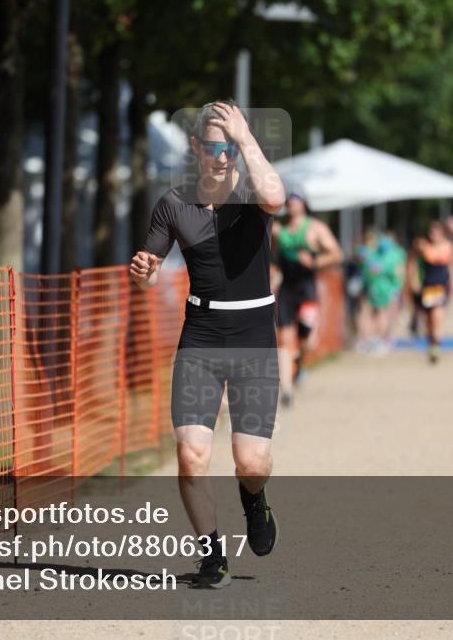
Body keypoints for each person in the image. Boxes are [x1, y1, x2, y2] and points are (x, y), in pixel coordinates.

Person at [130, 100, 284, 589]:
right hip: (200, 337)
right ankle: (212, 554)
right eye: (216, 147)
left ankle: (254, 498)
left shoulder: (252, 193)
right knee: (191, 454)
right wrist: (144, 273)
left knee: (251, 462)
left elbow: (277, 197)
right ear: (196, 147)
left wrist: (247, 138)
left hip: (254, 337)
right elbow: (149, 274)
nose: (224, 157)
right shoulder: (174, 203)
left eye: (231, 148)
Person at [273, 192, 342, 406]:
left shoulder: (315, 228)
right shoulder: (278, 230)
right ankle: (286, 391)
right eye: (289, 201)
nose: (291, 204)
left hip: (307, 290)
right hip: (286, 289)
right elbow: (271, 254)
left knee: (306, 338)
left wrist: (314, 261)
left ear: (303, 204)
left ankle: (300, 363)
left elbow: (337, 254)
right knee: (284, 339)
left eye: (295, 201)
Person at [412, 221, 453, 364]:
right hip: (428, 286)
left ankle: (436, 345)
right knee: (429, 320)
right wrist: (415, 281)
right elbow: (413, 263)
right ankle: (432, 342)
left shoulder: (449, 247)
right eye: (432, 232)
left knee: (438, 316)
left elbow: (452, 267)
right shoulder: (423, 247)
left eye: (437, 232)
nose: (434, 235)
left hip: (441, 286)